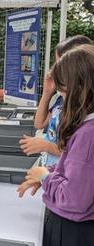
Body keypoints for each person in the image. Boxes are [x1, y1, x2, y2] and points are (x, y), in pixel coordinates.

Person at [17, 44, 94, 246]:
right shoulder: (85, 128)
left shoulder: (87, 134)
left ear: (78, 89)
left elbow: (74, 199)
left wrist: (45, 177)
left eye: (62, 89)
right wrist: (49, 173)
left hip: (73, 233)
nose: (60, 94)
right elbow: (77, 173)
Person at [19, 35, 92, 170]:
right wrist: (47, 92)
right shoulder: (61, 99)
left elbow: (80, 156)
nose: (54, 70)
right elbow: (39, 123)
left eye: (59, 65)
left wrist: (46, 146)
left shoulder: (85, 112)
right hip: (52, 173)